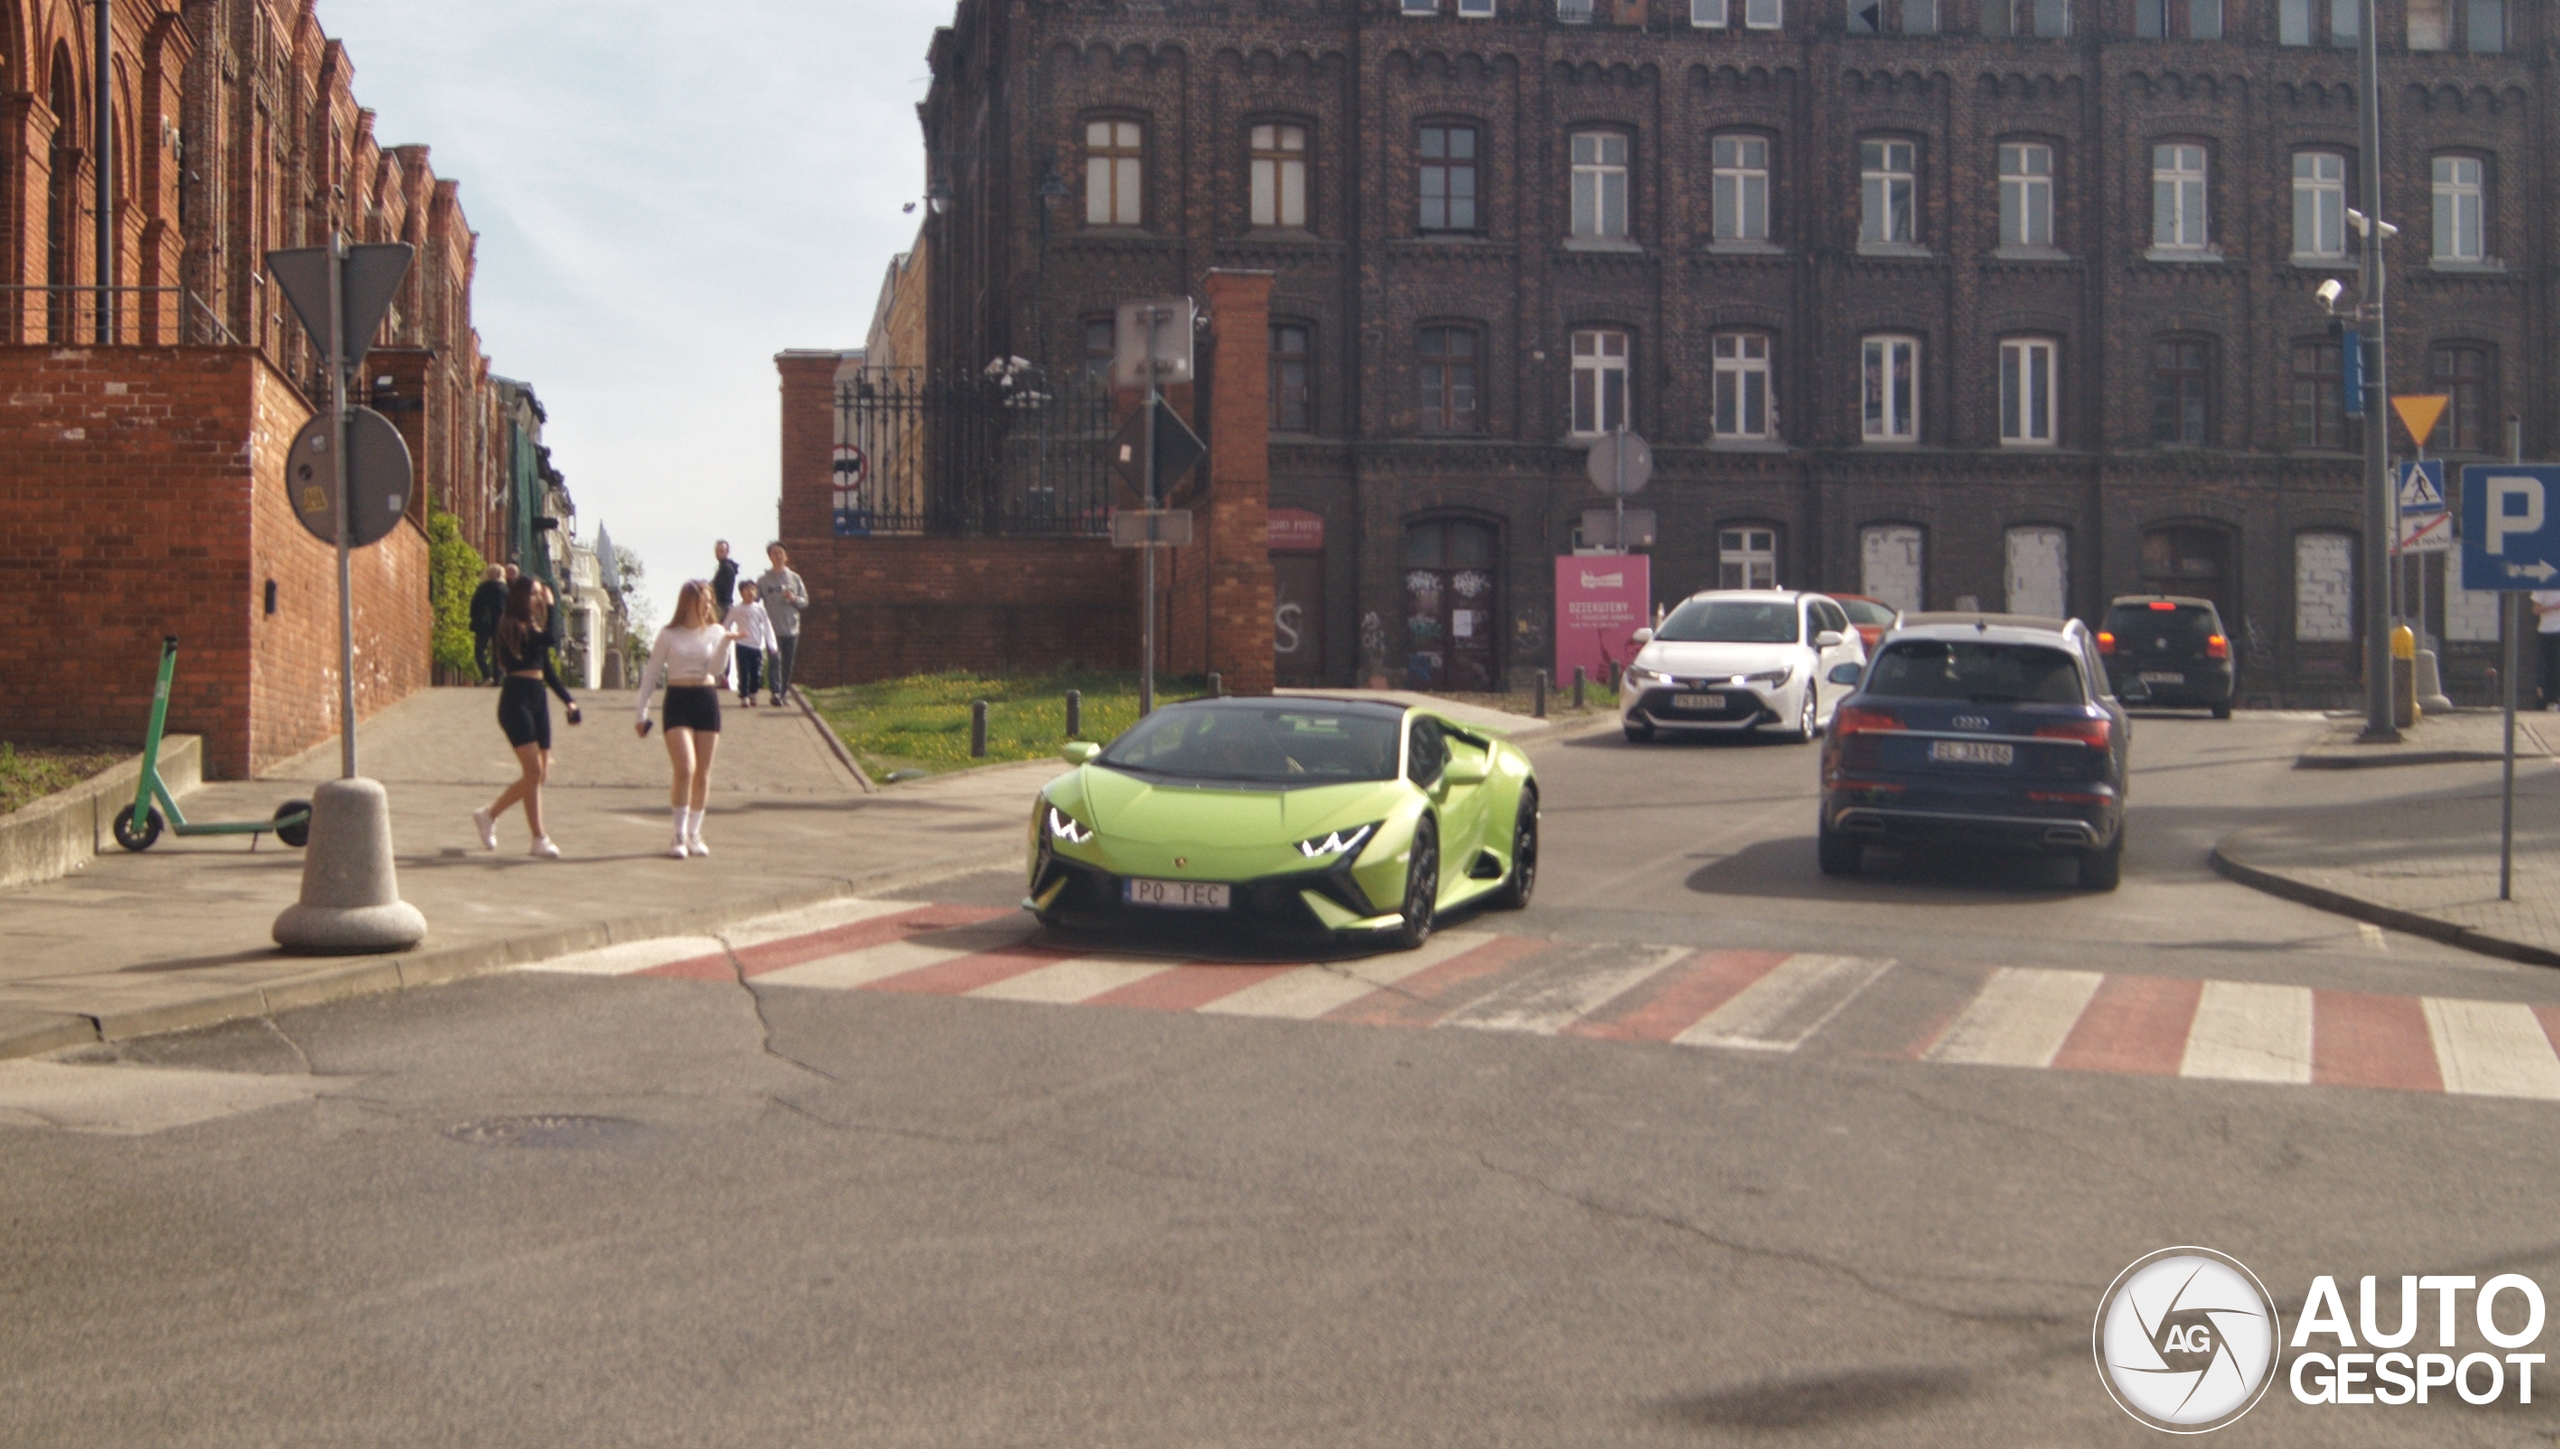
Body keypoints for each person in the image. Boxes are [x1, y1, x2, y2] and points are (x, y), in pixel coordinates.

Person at [472, 577, 582, 858]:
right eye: (533, 594)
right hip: (515, 700)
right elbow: (550, 639)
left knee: (538, 775)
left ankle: (489, 815)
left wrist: (569, 701)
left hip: (538, 698)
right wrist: (553, 608)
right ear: (521, 597)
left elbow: (547, 669)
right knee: (533, 771)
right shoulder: (510, 626)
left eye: (539, 594)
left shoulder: (534, 627)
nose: (537, 598)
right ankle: (538, 838)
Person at [636, 580, 742, 858]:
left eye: (710, 600)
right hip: (678, 700)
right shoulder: (669, 635)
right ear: (688, 602)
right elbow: (651, 674)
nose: (707, 605)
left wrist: (725, 644)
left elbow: (717, 671)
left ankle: (695, 832)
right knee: (686, 767)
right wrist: (641, 712)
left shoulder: (718, 631)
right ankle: (678, 834)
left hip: (706, 699)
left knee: (703, 773)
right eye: (702, 600)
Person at [756, 543, 809, 707]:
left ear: (786, 556)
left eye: (780, 553)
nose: (778, 556)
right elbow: (755, 601)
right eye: (774, 553)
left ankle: (784, 692)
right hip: (772, 628)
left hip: (791, 627)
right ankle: (775, 693)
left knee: (787, 663)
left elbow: (804, 601)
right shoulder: (763, 580)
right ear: (770, 557)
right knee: (774, 661)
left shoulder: (794, 578)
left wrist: (793, 599)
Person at [725, 581, 779, 706]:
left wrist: (772, 645)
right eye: (746, 589)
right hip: (742, 644)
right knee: (743, 671)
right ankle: (744, 696)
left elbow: (767, 626)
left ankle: (753, 693)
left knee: (755, 673)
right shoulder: (736, 609)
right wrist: (728, 637)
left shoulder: (760, 609)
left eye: (752, 589)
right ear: (741, 593)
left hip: (756, 645)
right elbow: (726, 625)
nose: (750, 592)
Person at [467, 565, 507, 685]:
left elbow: (474, 606)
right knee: (498, 653)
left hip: (484, 624)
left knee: (479, 650)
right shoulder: (505, 589)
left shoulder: (482, 588)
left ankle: (486, 674)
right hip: (500, 623)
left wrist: (475, 620)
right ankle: (497, 679)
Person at [2535, 591, 2560, 709]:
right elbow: (2535, 609)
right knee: (2546, 664)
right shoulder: (2542, 587)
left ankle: (2556, 698)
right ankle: (2546, 699)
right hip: (2545, 630)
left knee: (2557, 665)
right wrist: (2552, 607)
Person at [711, 541, 739, 614]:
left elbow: (720, 587)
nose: (719, 553)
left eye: (721, 551)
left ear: (727, 552)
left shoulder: (726, 568)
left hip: (722, 606)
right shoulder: (722, 567)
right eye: (717, 551)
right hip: (723, 605)